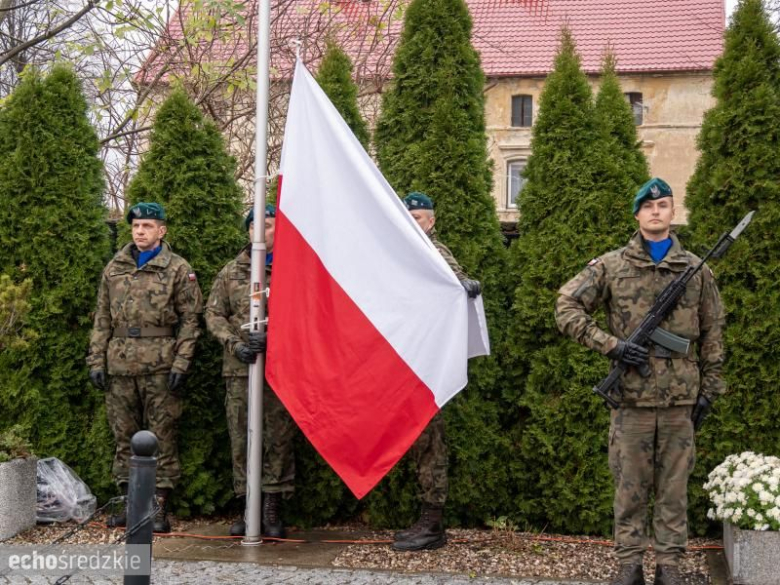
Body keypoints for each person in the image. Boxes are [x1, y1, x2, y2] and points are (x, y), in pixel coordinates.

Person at [555, 178, 725, 585]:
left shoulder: (697, 270)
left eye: (663, 205)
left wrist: (710, 390)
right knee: (629, 490)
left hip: (680, 400)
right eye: (648, 207)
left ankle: (670, 567)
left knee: (673, 490)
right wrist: (610, 346)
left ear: (671, 212)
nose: (655, 212)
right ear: (637, 214)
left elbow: (714, 331)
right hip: (630, 398)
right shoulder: (612, 266)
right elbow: (566, 306)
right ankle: (628, 566)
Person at [87, 202, 203, 533]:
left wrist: (182, 361)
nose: (140, 232)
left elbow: (191, 320)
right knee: (124, 436)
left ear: (161, 231)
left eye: (148, 226)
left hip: (160, 365)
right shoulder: (115, 268)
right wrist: (96, 359)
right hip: (120, 365)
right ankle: (129, 504)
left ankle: (157, 508)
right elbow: (102, 318)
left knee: (161, 436)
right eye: (136, 226)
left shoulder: (178, 269)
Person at [392, 192, 481, 552]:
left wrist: (468, 285)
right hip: (399, 361)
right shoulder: (393, 255)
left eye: (420, 218)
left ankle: (432, 522)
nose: (414, 223)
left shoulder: (437, 254)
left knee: (429, 442)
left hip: (427, 366)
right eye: (408, 217)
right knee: (407, 442)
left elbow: (458, 281)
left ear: (432, 222)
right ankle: (423, 519)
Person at [204, 204, 296, 538]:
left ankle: (272, 506)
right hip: (240, 368)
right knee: (241, 437)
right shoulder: (231, 273)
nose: (261, 231)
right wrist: (235, 344)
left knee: (277, 437)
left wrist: (275, 338)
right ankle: (247, 506)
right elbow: (213, 315)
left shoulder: (291, 269)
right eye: (255, 225)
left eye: (269, 226)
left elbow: (306, 315)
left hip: (279, 369)